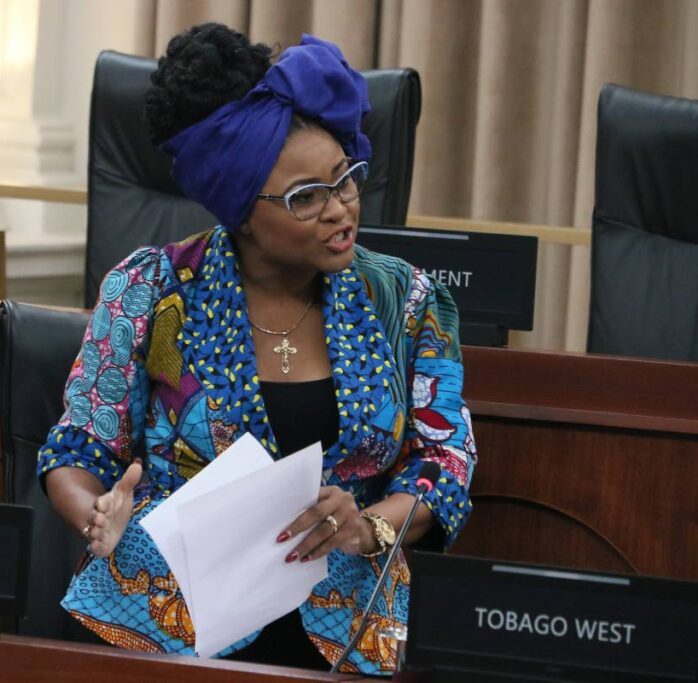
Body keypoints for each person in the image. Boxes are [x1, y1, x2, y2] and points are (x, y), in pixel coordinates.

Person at [37, 23, 475, 675]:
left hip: (344, 628)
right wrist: (95, 513)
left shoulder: (405, 301)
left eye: (346, 178)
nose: (340, 209)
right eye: (307, 197)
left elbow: (445, 456)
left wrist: (370, 525)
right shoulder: (150, 291)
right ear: (242, 212)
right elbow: (77, 447)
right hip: (162, 621)